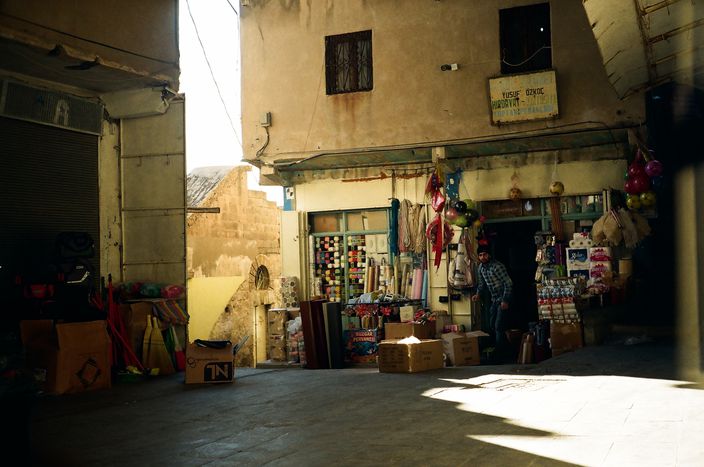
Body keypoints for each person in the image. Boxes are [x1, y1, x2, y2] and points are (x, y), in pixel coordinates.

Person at [471, 244, 513, 362]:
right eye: (480, 255)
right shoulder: (481, 268)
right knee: (492, 325)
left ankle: (499, 354)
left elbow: (508, 283)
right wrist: (478, 294)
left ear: (489, 255)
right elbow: (482, 284)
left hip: (503, 298)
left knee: (498, 326)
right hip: (494, 299)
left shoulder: (497, 266)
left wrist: (505, 300)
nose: (483, 257)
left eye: (485, 254)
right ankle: (507, 349)